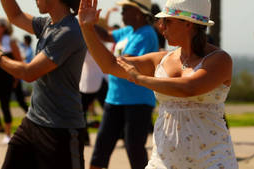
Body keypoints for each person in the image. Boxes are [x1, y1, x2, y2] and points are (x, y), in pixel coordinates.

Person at [79, 0, 239, 168]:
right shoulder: (161, 59)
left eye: (167, 21)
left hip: (212, 160)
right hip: (164, 160)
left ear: (188, 24)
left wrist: (140, 79)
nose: (161, 26)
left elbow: (188, 88)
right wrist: (87, 28)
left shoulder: (220, 59)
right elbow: (109, 65)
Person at [0, 0, 87, 168]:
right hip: (32, 123)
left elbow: (29, 73)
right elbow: (15, 16)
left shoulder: (69, 31)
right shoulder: (48, 24)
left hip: (61, 129)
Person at [84, 0, 159, 168]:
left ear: (138, 13)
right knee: (101, 148)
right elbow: (107, 36)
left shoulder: (146, 34)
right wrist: (86, 23)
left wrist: (89, 32)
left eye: (126, 9)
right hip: (115, 98)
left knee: (134, 149)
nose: (122, 13)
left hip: (138, 101)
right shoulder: (129, 31)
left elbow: (124, 63)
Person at [79, 51, 108, 145]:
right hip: (94, 81)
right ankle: (84, 138)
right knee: (81, 112)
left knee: (111, 110)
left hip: (95, 81)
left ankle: (85, 138)